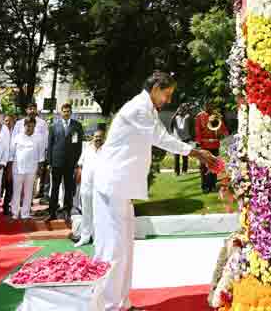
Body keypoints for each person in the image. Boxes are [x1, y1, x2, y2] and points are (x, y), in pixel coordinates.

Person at [92, 72, 216, 311]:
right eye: (167, 94)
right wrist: (197, 152)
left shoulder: (147, 109)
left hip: (121, 188)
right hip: (112, 185)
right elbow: (162, 139)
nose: (168, 101)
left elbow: (162, 136)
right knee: (113, 250)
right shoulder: (138, 108)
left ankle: (122, 304)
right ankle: (108, 306)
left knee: (126, 248)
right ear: (156, 88)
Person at [47, 102, 84, 221]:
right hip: (56, 163)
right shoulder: (54, 126)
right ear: (61, 112)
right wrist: (49, 163)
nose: (66, 113)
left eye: (68, 111)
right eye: (64, 111)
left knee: (68, 188)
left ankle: (67, 211)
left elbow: (79, 146)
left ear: (71, 113)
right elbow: (50, 145)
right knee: (55, 188)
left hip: (70, 163)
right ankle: (52, 212)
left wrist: (76, 162)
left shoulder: (77, 126)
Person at [73, 123, 106, 247]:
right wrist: (78, 178)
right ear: (92, 137)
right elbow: (80, 165)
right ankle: (85, 237)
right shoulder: (87, 149)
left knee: (98, 214)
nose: (97, 138)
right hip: (86, 187)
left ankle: (97, 238)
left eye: (100, 137)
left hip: (100, 188)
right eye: (95, 136)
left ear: (104, 138)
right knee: (86, 213)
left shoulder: (107, 150)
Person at [9, 117, 44, 220]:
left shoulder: (39, 138)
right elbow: (11, 154)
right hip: (17, 169)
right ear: (24, 126)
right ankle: (15, 213)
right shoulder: (17, 137)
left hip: (31, 169)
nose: (30, 128)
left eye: (32, 126)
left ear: (35, 126)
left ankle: (25, 213)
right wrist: (10, 169)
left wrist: (39, 169)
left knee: (28, 192)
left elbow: (41, 156)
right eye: (28, 126)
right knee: (16, 191)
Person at [195, 103, 226, 192]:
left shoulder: (216, 115)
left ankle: (212, 185)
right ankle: (205, 186)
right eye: (207, 105)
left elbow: (222, 128)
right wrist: (199, 143)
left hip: (215, 144)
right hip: (204, 145)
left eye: (210, 105)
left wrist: (222, 132)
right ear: (204, 106)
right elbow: (198, 130)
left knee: (215, 165)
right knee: (204, 166)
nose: (208, 107)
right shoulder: (199, 116)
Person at [0, 112, 18, 215]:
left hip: (12, 163)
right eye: (6, 121)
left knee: (10, 186)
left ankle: (6, 206)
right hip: (0, 163)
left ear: (14, 122)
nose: (8, 123)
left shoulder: (17, 132)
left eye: (10, 121)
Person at [170, 104, 194, 175]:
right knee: (176, 156)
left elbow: (191, 118)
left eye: (182, 110)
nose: (181, 111)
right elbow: (171, 123)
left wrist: (187, 109)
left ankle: (184, 171)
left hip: (185, 138)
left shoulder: (187, 117)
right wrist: (176, 112)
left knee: (185, 156)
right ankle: (176, 172)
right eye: (180, 110)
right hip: (177, 139)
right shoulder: (176, 117)